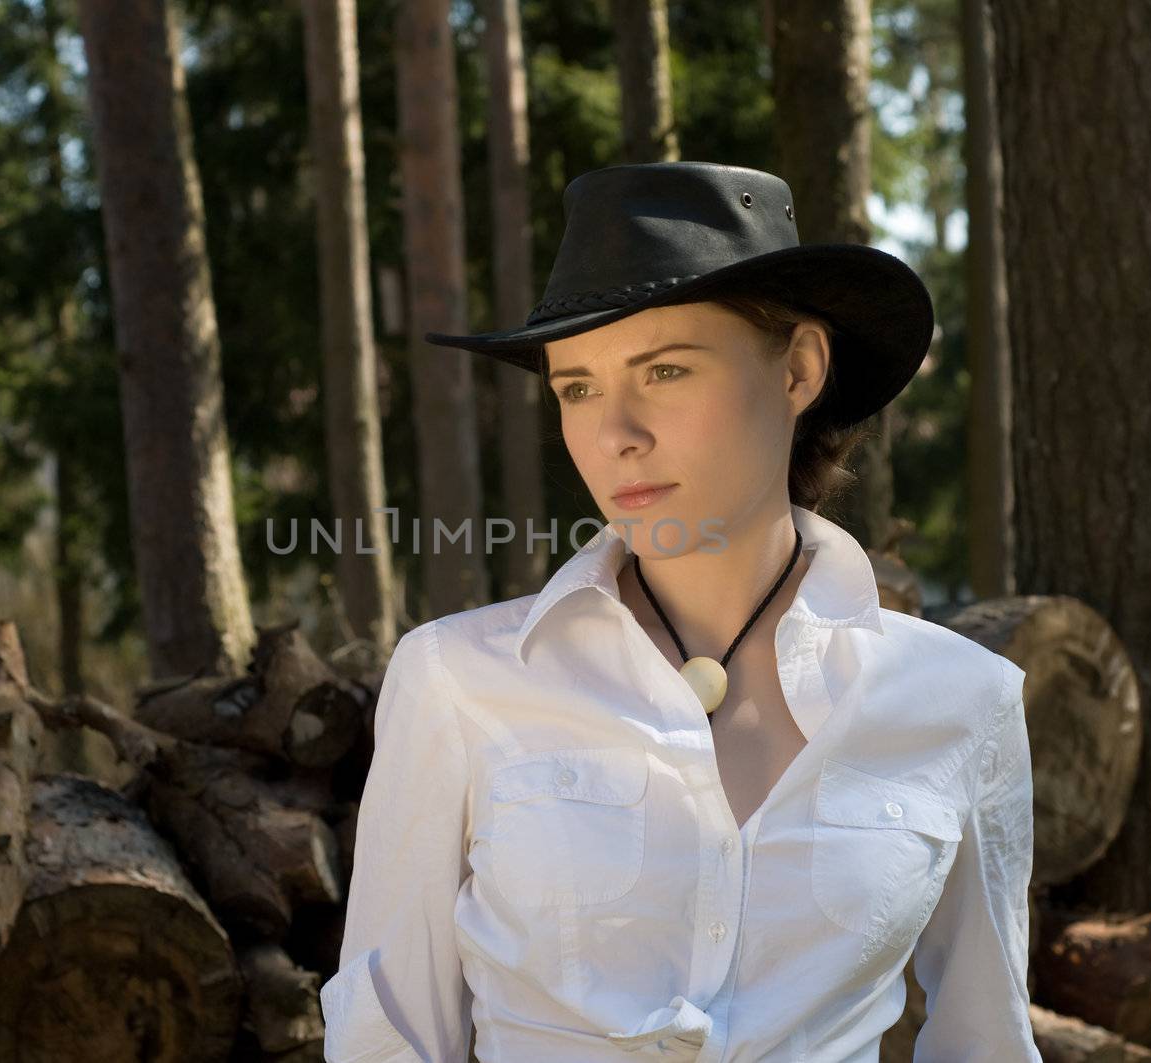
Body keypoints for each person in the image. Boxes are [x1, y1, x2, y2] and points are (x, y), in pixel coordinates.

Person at [319, 161, 1039, 1062]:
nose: (615, 430)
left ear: (800, 370)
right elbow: (388, 1039)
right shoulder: (456, 680)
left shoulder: (963, 703)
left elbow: (988, 1042)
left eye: (664, 370)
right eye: (576, 386)